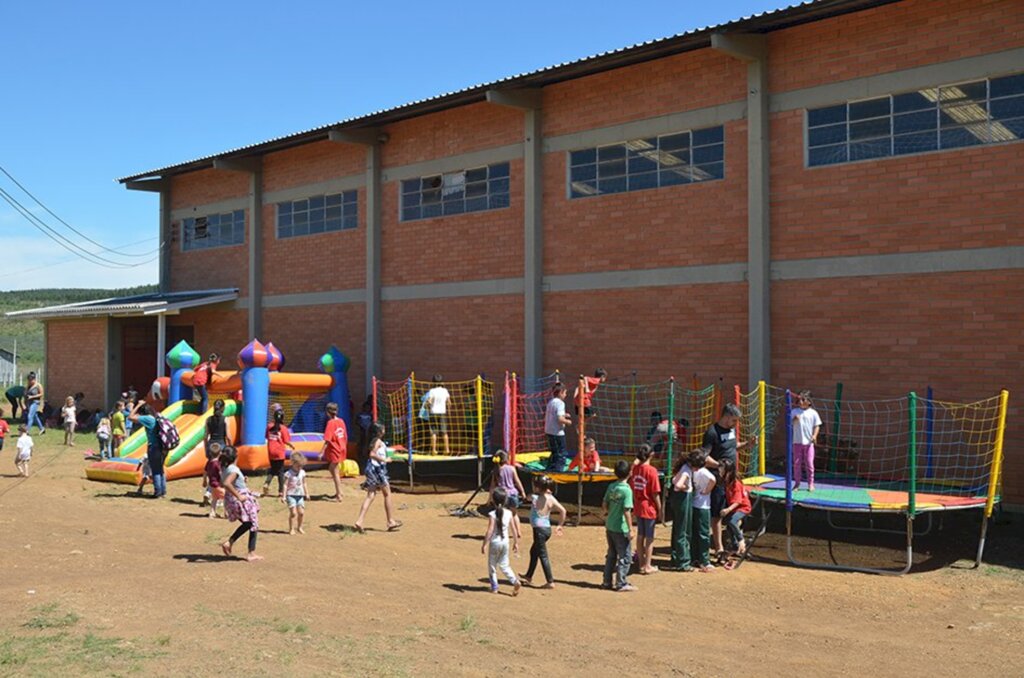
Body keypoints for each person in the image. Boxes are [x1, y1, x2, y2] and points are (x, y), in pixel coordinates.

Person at [702, 403, 757, 565]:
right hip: (718, 480)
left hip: (732, 479)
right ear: (726, 417)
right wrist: (720, 466)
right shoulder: (712, 433)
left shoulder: (731, 430)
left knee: (734, 510)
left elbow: (733, 447)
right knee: (718, 514)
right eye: (733, 420)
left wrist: (748, 444)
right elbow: (705, 456)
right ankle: (718, 547)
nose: (735, 424)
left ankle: (734, 543)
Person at [353, 423, 403, 533]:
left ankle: (360, 520)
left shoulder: (374, 441)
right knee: (387, 494)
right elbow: (372, 454)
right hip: (377, 470)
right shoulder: (378, 442)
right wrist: (384, 460)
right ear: (379, 432)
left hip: (372, 469)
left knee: (371, 495)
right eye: (383, 429)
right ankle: (390, 521)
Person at [520, 475, 566, 589]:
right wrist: (560, 525)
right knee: (534, 552)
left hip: (539, 531)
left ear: (537, 488)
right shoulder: (551, 498)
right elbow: (563, 510)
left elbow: (527, 497)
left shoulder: (534, 497)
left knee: (543, 555)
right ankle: (528, 576)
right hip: (546, 529)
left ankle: (550, 581)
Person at [219, 445, 262, 561]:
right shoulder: (233, 469)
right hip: (239, 499)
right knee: (253, 523)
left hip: (231, 500)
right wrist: (239, 496)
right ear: (236, 457)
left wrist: (242, 480)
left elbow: (227, 481)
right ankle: (251, 553)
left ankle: (229, 542)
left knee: (248, 523)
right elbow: (227, 483)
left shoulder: (225, 468)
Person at [602, 460, 636, 592]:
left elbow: (604, 504)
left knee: (611, 554)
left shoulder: (611, 486)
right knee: (625, 556)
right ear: (630, 473)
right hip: (621, 528)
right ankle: (621, 582)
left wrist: (608, 513)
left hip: (610, 525)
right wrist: (630, 529)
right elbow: (627, 511)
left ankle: (606, 581)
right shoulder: (627, 491)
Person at [481, 487, 522, 596]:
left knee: (492, 565)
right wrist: (516, 543)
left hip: (495, 542)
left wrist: (485, 544)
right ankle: (515, 581)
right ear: (505, 500)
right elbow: (513, 529)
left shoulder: (492, 514)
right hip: (505, 542)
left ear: (493, 500)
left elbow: (490, 530)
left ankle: (494, 587)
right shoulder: (509, 513)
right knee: (505, 565)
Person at [630, 444, 662, 575]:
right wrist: (660, 509)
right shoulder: (652, 471)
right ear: (651, 455)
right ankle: (647, 565)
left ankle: (641, 564)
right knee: (649, 538)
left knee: (640, 535)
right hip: (648, 507)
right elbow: (655, 493)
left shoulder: (636, 469)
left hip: (638, 505)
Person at [129, 402, 167, 498]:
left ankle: (157, 492)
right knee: (160, 469)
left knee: (155, 470)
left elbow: (130, 417)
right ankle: (163, 491)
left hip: (153, 447)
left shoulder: (147, 418)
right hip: (162, 446)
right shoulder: (155, 417)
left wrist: (137, 405)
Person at [720, 457, 752, 565]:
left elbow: (738, 501)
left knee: (732, 522)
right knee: (729, 526)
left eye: (722, 468)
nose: (719, 470)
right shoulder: (726, 481)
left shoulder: (735, 483)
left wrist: (727, 510)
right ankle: (735, 546)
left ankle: (741, 541)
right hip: (734, 508)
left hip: (743, 507)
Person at [666, 452, 695, 572]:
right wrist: (686, 487)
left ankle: (676, 557)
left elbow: (673, 480)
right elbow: (678, 484)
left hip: (677, 500)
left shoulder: (683, 467)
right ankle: (684, 562)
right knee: (683, 530)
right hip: (684, 499)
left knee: (678, 528)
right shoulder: (686, 471)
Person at [691, 447, 716, 573]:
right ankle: (705, 561)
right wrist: (707, 490)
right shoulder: (703, 471)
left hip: (694, 504)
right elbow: (713, 479)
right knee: (704, 533)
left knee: (695, 532)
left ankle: (695, 557)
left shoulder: (692, 470)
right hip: (703, 506)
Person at [791, 390, 822, 492]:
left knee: (809, 463)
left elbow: (817, 426)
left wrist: (814, 435)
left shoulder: (813, 413)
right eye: (799, 400)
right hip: (797, 442)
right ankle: (797, 483)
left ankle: (811, 483)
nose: (800, 402)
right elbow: (789, 423)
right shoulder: (794, 412)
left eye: (803, 400)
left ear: (809, 401)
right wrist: (794, 419)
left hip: (809, 443)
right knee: (797, 463)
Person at [319, 402, 348, 502]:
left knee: (334, 471)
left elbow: (327, 439)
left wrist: (321, 452)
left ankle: (339, 495)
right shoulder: (341, 421)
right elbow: (345, 436)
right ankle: (339, 491)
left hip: (335, 449)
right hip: (342, 448)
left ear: (327, 412)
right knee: (332, 469)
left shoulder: (330, 423)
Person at [263, 408, 295, 497]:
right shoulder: (284, 429)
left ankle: (267, 483)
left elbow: (266, 437)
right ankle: (281, 491)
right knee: (280, 471)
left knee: (273, 469)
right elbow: (286, 440)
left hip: (271, 451)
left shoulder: (269, 426)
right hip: (279, 452)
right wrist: (291, 446)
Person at [544, 383, 571, 472]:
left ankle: (549, 469)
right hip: (557, 432)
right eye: (565, 393)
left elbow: (554, 414)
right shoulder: (560, 403)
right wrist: (567, 422)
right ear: (560, 393)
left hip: (549, 431)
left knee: (554, 452)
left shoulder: (551, 402)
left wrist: (564, 414)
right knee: (561, 454)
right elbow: (560, 419)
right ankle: (558, 471)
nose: (566, 395)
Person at [282, 452, 310, 534]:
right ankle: (291, 528)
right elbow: (285, 485)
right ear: (293, 464)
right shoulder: (288, 474)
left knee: (301, 513)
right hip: (291, 495)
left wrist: (307, 493)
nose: (299, 468)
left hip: (300, 495)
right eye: (298, 466)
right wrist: (284, 496)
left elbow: (304, 483)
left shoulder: (302, 472)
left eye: (301, 466)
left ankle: (299, 527)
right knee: (293, 513)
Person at [424, 374, 451, 456]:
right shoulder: (445, 390)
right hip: (442, 412)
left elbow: (429, 401)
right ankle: (447, 449)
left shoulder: (432, 391)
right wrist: (448, 411)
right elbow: (449, 402)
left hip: (433, 412)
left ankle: (434, 450)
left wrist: (427, 405)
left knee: (433, 432)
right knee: (444, 432)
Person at [203, 442, 225, 519]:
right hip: (218, 484)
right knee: (226, 497)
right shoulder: (218, 463)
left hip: (211, 484)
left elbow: (205, 472)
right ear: (220, 453)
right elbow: (220, 473)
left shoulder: (209, 462)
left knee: (214, 499)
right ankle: (226, 513)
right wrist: (223, 481)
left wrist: (204, 480)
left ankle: (212, 512)